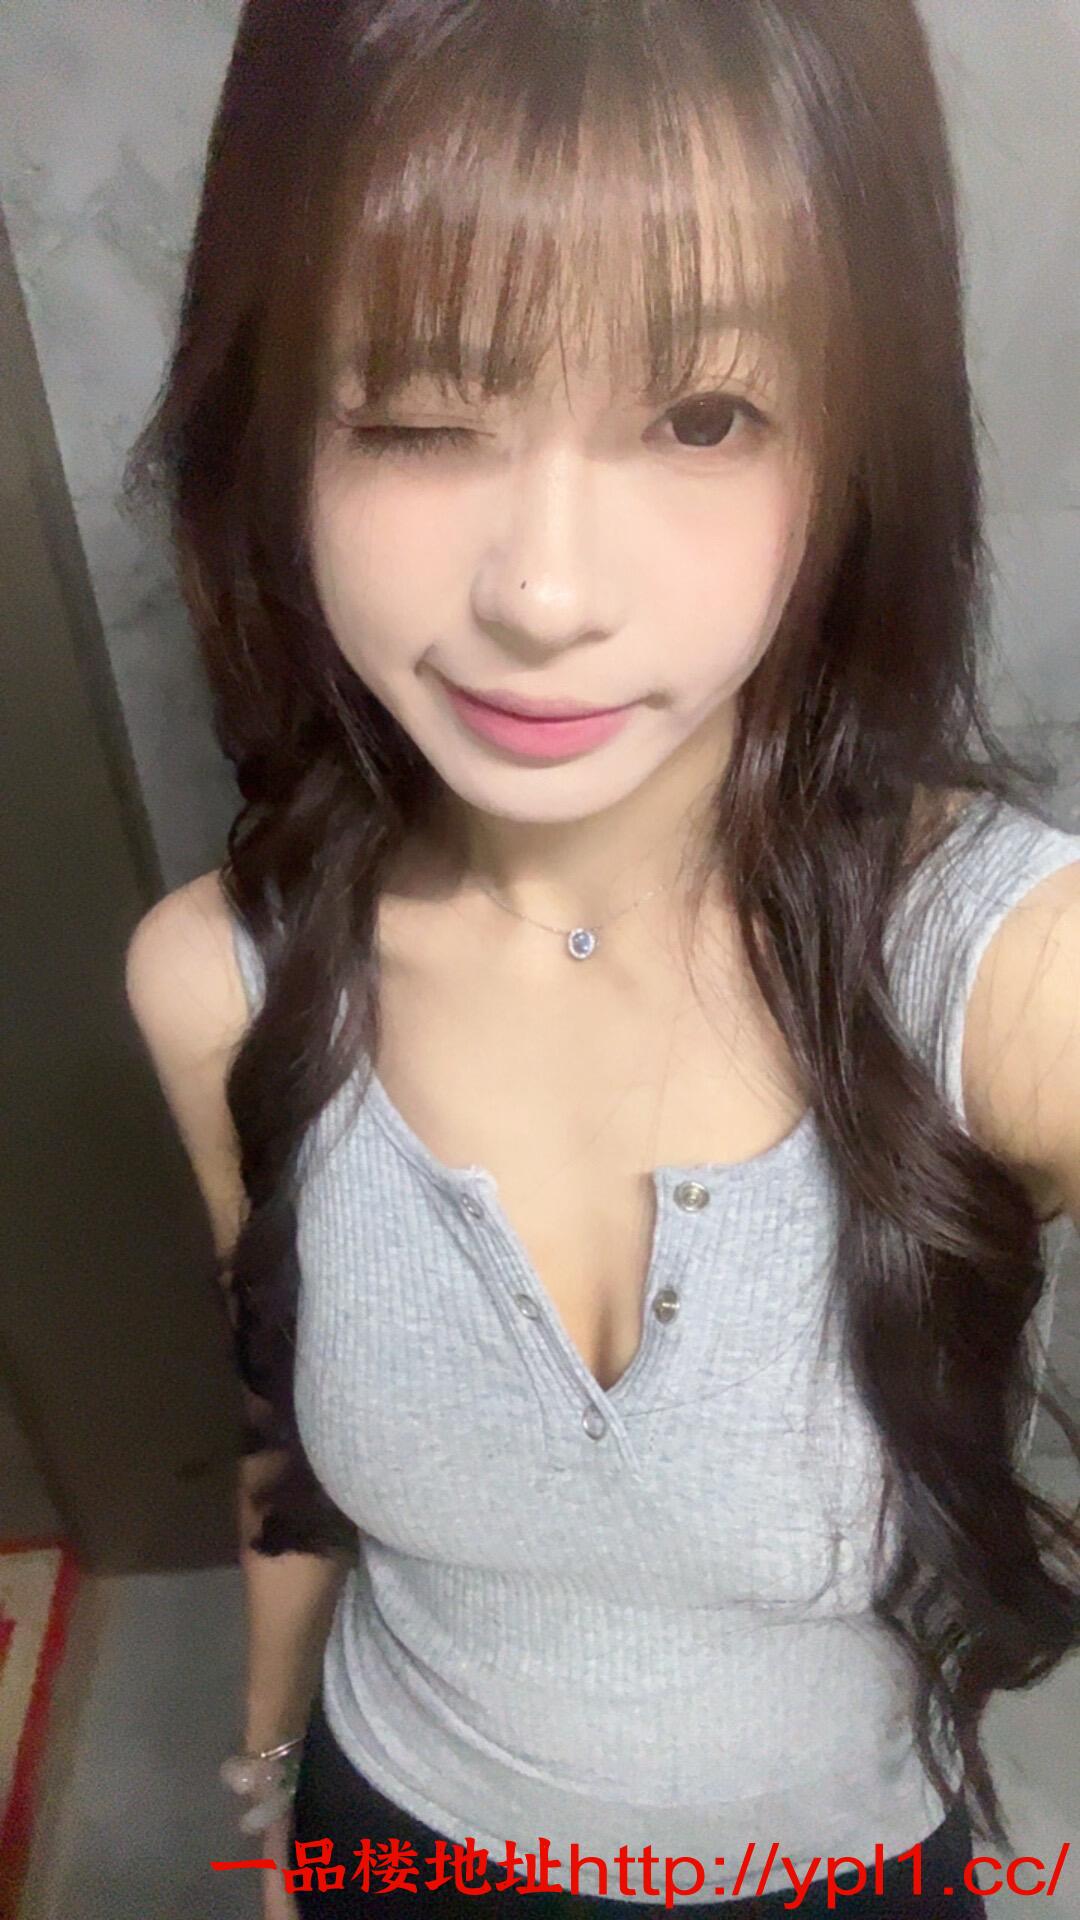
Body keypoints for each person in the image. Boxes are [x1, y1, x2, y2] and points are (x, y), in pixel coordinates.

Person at [122, 1, 1080, 1915]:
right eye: (414, 411)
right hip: (390, 1826)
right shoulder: (216, 982)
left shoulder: (1012, 978)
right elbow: (279, 1431)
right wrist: (270, 1766)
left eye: (703, 416)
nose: (543, 593)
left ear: (859, 443)